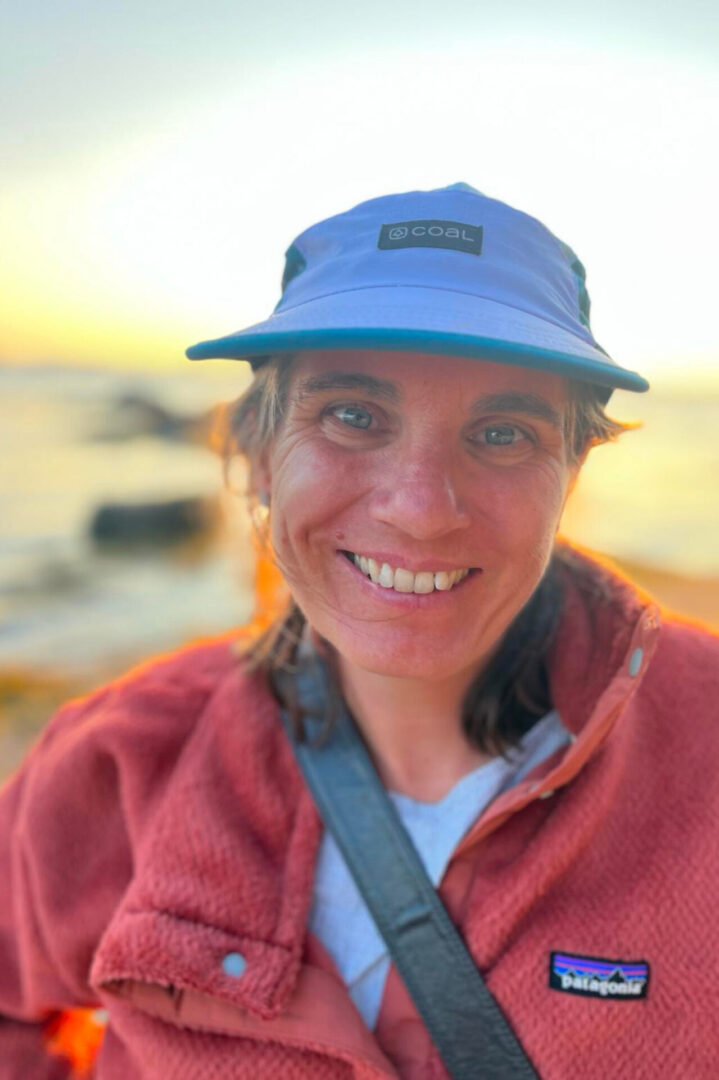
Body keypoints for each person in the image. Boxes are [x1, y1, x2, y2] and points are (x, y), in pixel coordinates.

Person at [1, 182, 718, 1079]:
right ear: (259, 454)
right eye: (352, 416)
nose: (419, 510)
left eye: (501, 433)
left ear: (570, 471)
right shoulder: (116, 762)